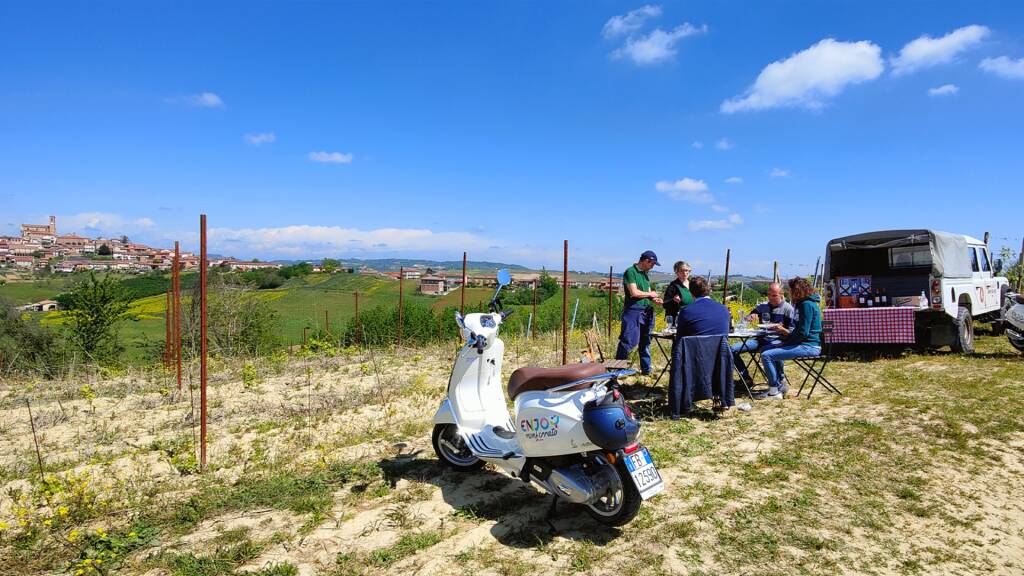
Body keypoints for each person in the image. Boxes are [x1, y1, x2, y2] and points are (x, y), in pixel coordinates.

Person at [757, 277, 822, 400]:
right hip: (803, 343)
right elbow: (799, 332)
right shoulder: (803, 304)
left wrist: (784, 344)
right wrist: (785, 342)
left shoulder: (806, 305)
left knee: (767, 355)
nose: (789, 292)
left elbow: (803, 332)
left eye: (790, 290)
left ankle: (774, 391)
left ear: (797, 290)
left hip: (809, 346)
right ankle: (779, 385)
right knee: (766, 348)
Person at [731, 282, 797, 385]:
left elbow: (792, 333)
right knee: (732, 349)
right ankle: (745, 378)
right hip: (760, 339)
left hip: (778, 340)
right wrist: (751, 316)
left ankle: (780, 379)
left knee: (773, 348)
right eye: (769, 295)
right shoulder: (762, 306)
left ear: (781, 294)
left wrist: (782, 329)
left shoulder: (788, 309)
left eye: (774, 295)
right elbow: (746, 318)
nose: (770, 298)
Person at [615, 250, 663, 375]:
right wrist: (650, 294)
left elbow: (646, 292)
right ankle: (619, 370)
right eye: (652, 263)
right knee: (628, 340)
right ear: (646, 261)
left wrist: (654, 298)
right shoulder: (631, 272)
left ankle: (646, 370)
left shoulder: (645, 274)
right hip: (633, 310)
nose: (653, 266)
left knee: (645, 340)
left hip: (646, 310)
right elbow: (634, 293)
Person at [662, 261, 694, 327]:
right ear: (677, 272)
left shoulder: (693, 284)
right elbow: (665, 304)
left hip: (692, 318)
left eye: (687, 270)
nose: (685, 273)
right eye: (682, 271)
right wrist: (673, 300)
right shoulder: (673, 286)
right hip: (677, 320)